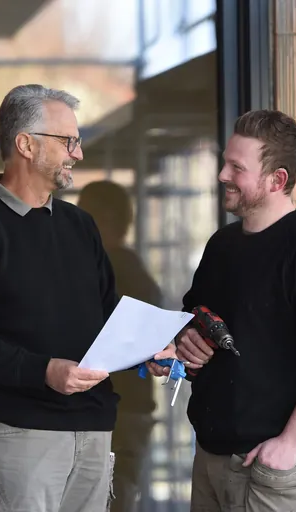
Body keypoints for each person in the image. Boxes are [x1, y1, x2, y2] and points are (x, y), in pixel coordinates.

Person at [0, 84, 168, 512]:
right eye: (68, 141)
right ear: (25, 144)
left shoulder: (80, 226)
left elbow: (105, 314)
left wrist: (144, 348)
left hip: (94, 431)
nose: (78, 154)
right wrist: (43, 371)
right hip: (17, 436)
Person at [148, 109, 296, 511]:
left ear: (276, 180)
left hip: (275, 469)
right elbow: (194, 317)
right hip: (210, 459)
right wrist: (183, 343)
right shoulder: (221, 246)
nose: (222, 175)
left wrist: (290, 444)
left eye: (236, 167)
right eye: (225, 162)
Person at [77, 181, 163, 512]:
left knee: (110, 499)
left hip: (115, 413)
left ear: (102, 219)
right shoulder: (132, 268)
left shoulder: (111, 269)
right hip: (126, 410)